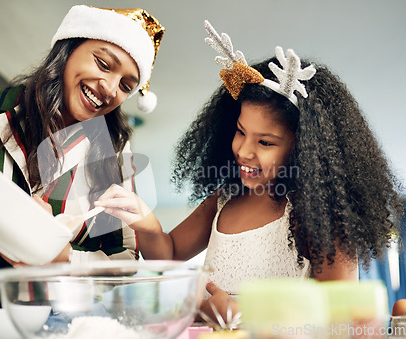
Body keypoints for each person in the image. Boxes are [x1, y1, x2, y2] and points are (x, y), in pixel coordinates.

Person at [94, 20, 404, 324]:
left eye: (266, 142)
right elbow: (170, 253)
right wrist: (147, 225)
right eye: (241, 132)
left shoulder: (319, 219)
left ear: (306, 150)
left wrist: (243, 315)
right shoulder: (225, 199)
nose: (244, 151)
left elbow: (345, 319)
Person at [0, 5, 164, 310]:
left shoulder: (115, 159)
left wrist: (64, 259)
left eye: (126, 86)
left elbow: (123, 269)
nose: (109, 89)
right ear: (68, 48)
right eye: (104, 63)